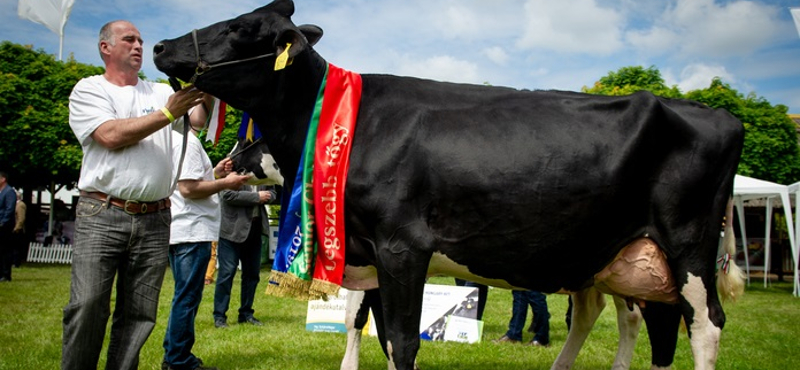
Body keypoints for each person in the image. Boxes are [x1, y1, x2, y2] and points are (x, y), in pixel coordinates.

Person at [62, 20, 209, 370]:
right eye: (129, 39)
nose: (138, 45)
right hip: (102, 212)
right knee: (87, 305)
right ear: (105, 48)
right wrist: (169, 112)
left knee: (140, 313)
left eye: (141, 40)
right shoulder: (89, 89)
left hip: (156, 216)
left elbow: (198, 120)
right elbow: (110, 135)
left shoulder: (158, 91)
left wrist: (206, 84)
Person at [162, 129, 251, 370]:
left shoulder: (180, 141)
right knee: (187, 297)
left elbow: (188, 182)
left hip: (185, 229)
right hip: (192, 230)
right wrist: (225, 182)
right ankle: (178, 360)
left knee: (184, 295)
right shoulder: (188, 141)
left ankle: (173, 355)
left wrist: (214, 173)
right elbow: (189, 189)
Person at [213, 185, 276, 328]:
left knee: (252, 275)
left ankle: (246, 314)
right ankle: (219, 316)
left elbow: (272, 193)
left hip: (256, 228)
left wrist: (268, 196)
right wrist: (256, 197)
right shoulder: (232, 166)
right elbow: (227, 194)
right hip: (231, 230)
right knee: (226, 274)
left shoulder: (263, 169)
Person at [0, 171, 16, 282]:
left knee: (5, 250)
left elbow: (9, 209)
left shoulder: (9, 192)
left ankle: (6, 274)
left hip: (5, 226)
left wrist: (2, 222)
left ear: (3, 179)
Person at [13, 190, 27, 267]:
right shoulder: (15, 204)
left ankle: (16, 263)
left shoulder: (20, 205)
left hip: (18, 229)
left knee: (16, 247)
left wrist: (17, 228)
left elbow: (21, 218)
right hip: (14, 228)